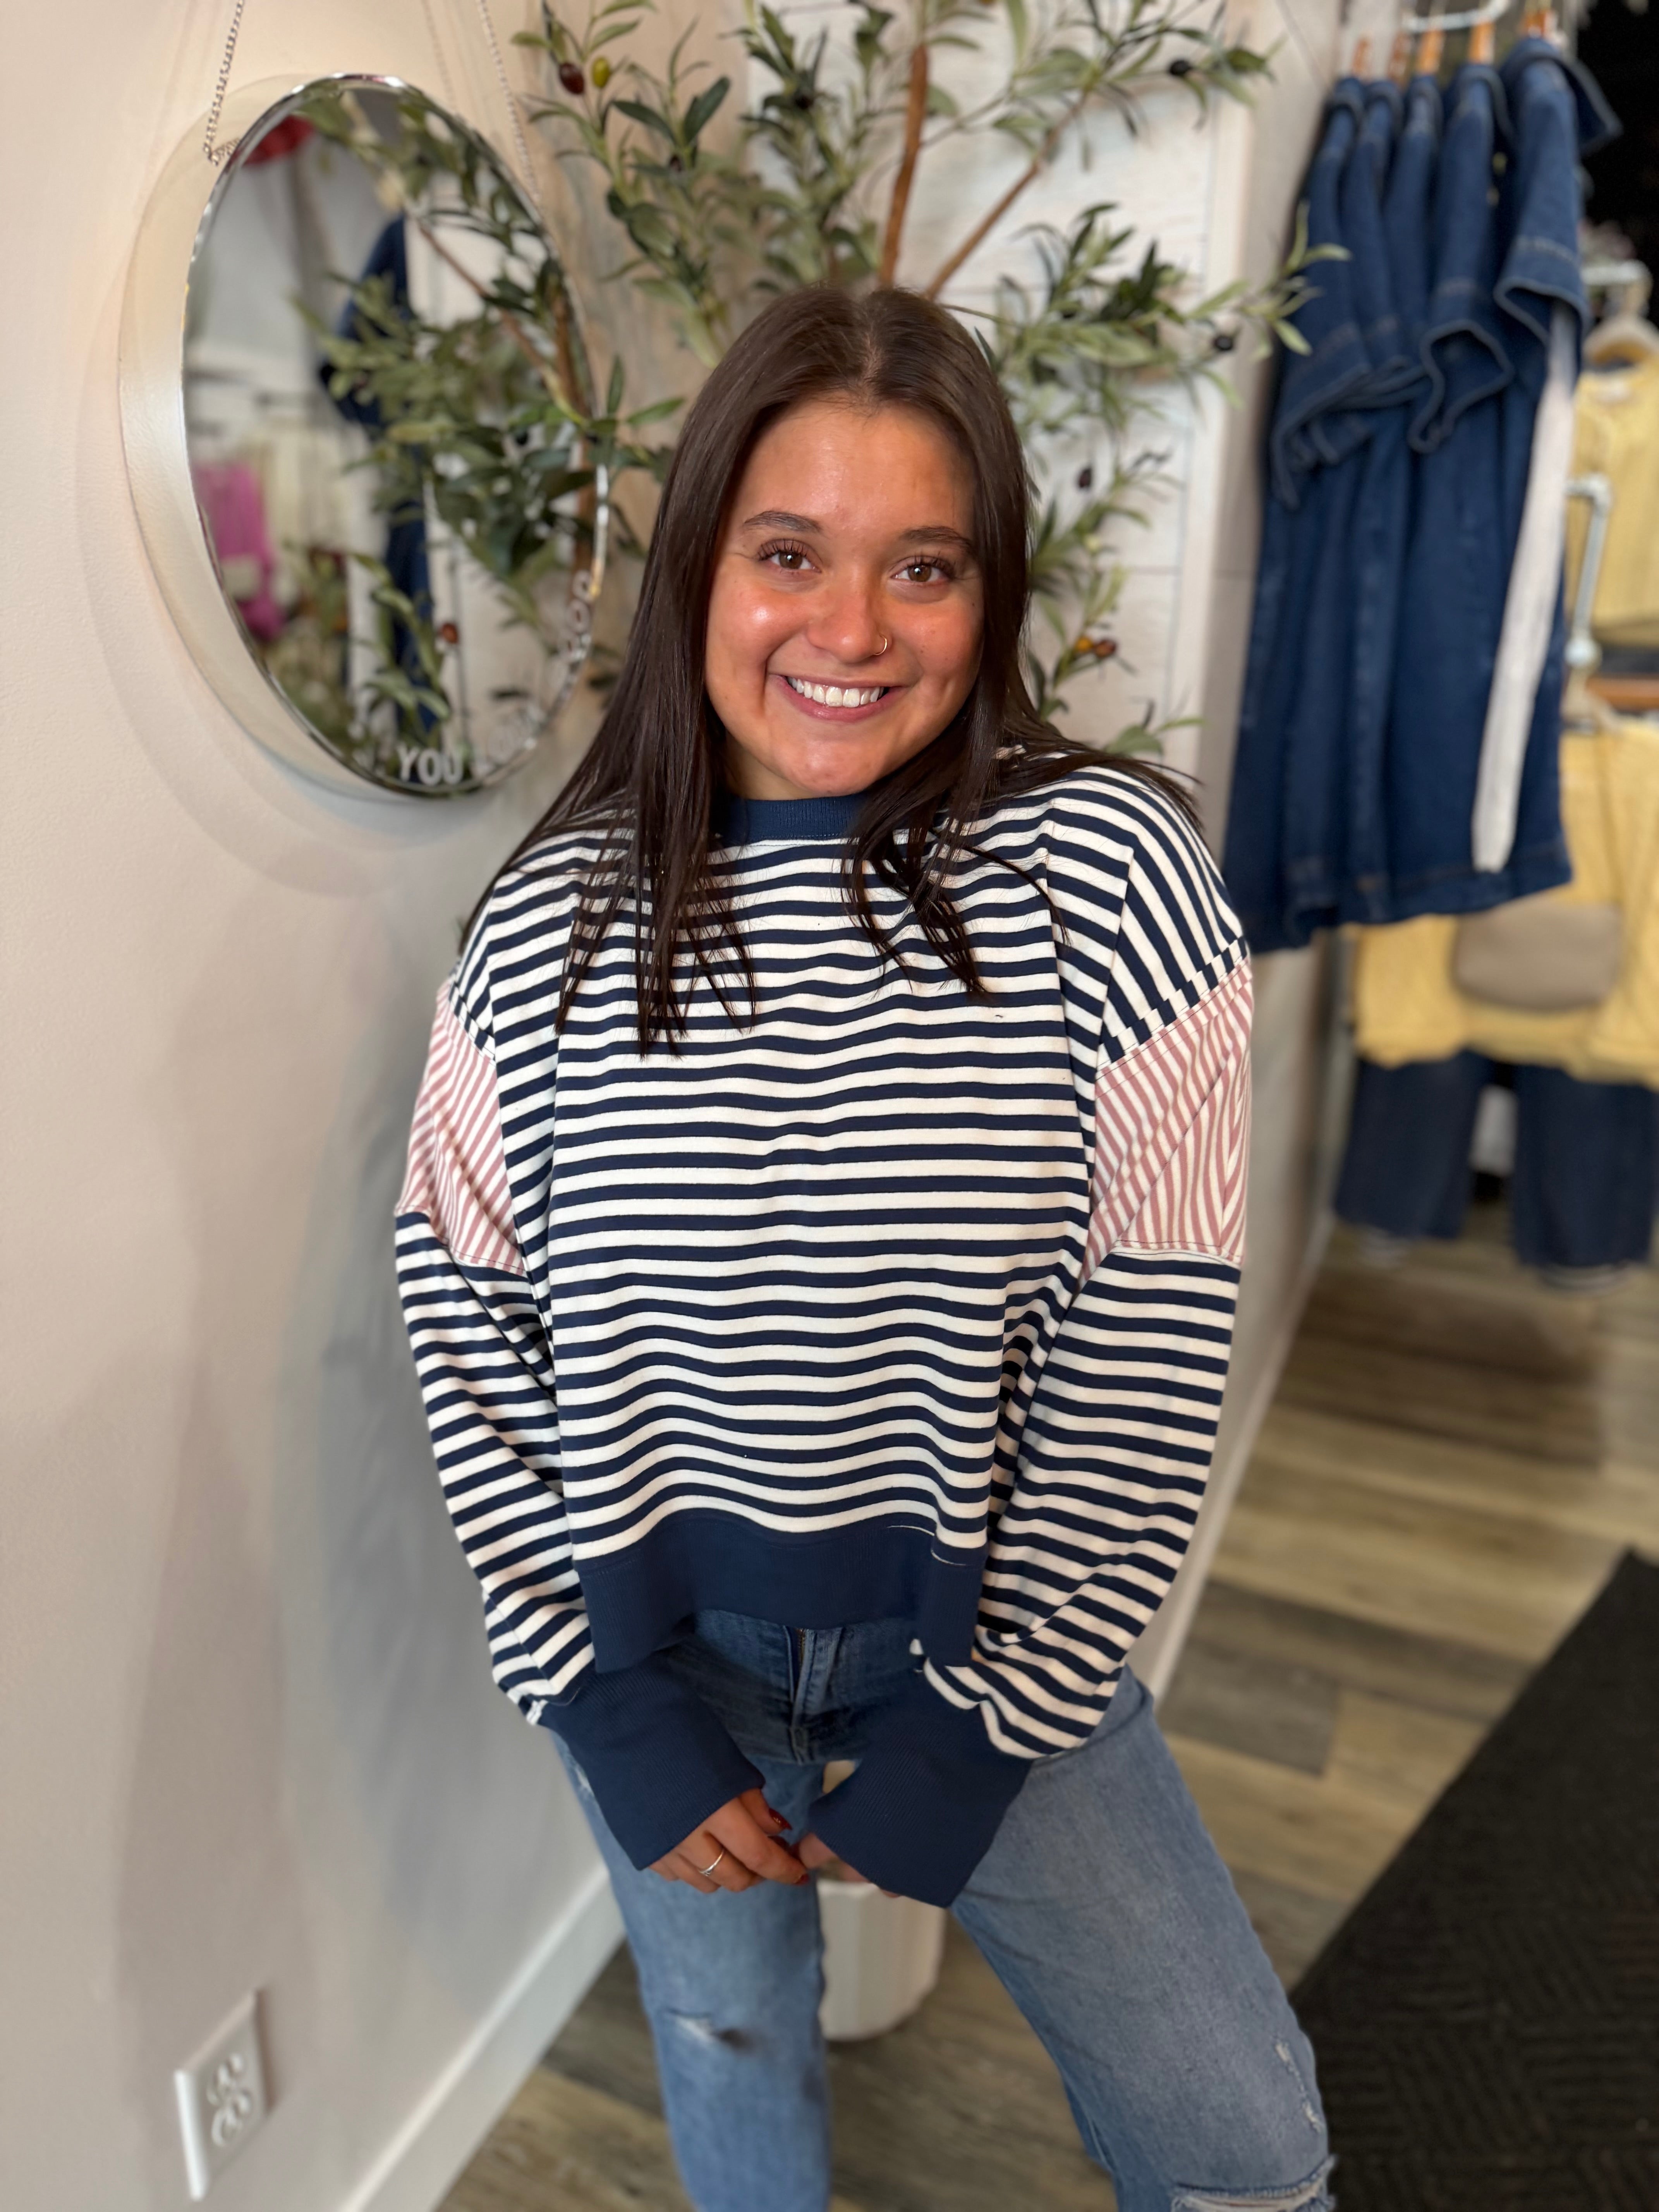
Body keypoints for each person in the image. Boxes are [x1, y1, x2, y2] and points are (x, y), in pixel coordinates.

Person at [396, 287, 1333, 2212]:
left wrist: (984, 1730)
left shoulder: (1113, 875)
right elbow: (467, 1310)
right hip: (667, 1654)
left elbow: (1148, 1335)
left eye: (923, 565)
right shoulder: (551, 920)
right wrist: (601, 1700)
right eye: (789, 554)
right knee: (729, 2048)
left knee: (1244, 2149)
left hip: (1001, 1641)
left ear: (990, 595)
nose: (851, 629)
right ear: (699, 569)